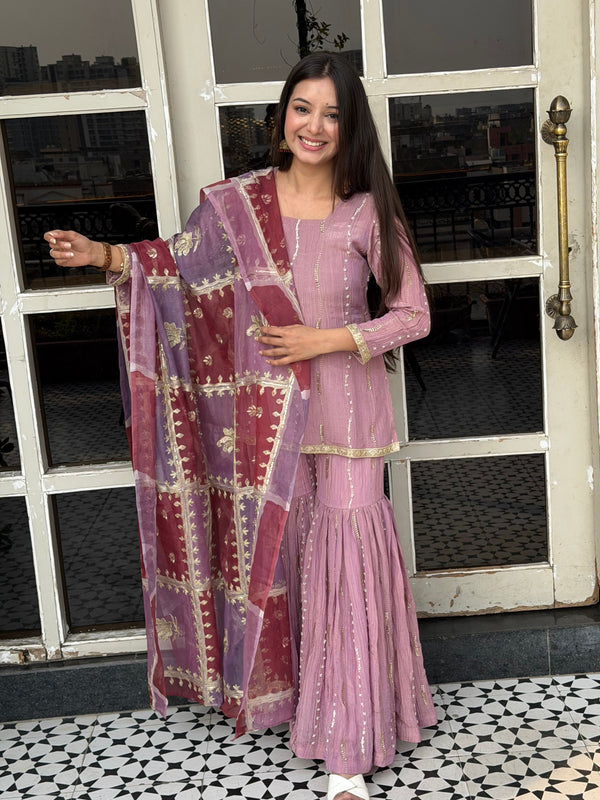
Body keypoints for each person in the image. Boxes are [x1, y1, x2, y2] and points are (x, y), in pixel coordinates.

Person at [45, 52, 436, 800]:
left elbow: (413, 315)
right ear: (280, 117)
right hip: (266, 423)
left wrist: (325, 341)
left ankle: (351, 742)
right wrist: (105, 257)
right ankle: (299, 708)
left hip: (348, 418)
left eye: (332, 113)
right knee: (288, 570)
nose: (315, 126)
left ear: (350, 126)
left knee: (345, 564)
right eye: (302, 109)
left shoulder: (365, 211)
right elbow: (179, 271)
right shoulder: (238, 205)